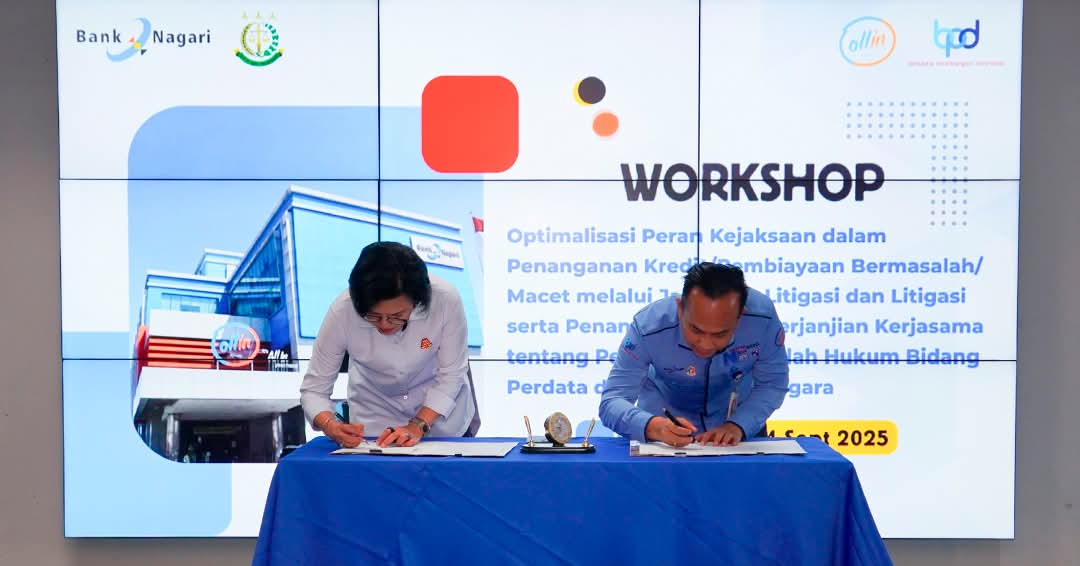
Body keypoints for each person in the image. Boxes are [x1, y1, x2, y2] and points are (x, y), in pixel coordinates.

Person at [300, 241, 476, 448]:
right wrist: (331, 426)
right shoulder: (342, 311)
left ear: (417, 301)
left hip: (441, 423)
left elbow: (452, 374)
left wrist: (417, 425)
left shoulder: (445, 300)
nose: (384, 324)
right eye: (373, 316)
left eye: (397, 316)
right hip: (375, 426)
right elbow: (314, 389)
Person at [599, 262, 789, 447]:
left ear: (740, 316)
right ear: (680, 308)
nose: (705, 345)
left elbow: (772, 384)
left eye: (720, 334)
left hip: (739, 438)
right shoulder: (648, 326)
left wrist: (739, 425)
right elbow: (612, 401)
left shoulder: (762, 319)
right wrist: (652, 426)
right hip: (663, 443)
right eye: (695, 330)